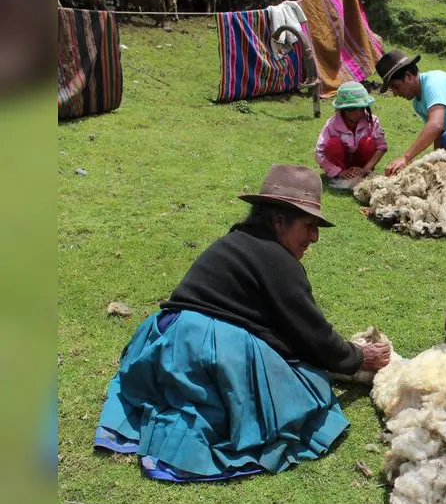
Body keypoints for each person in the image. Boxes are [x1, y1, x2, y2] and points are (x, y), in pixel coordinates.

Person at [93, 165, 392, 482]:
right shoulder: (278, 261)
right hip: (204, 349)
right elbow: (315, 337)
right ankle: (184, 449)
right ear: (279, 220)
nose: (315, 237)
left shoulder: (237, 241)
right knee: (309, 389)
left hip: (161, 343)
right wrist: (360, 357)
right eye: (308, 225)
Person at [314, 81, 388, 185]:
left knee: (368, 142)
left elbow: (381, 147)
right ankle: (340, 177)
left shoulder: (372, 121)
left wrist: (365, 169)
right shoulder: (332, 124)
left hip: (363, 165)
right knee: (333, 144)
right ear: (343, 110)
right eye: (352, 109)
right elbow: (319, 152)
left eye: (362, 108)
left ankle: (364, 174)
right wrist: (339, 171)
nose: (359, 113)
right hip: (341, 166)